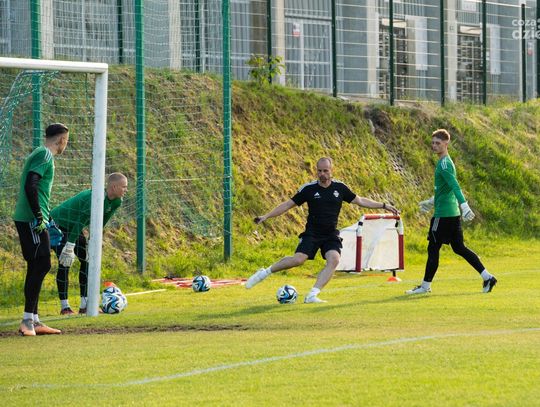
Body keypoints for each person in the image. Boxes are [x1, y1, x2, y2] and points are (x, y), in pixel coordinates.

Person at [246, 157, 399, 303]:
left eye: (325, 171)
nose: (322, 174)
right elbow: (287, 205)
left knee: (334, 259)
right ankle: (264, 272)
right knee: (298, 260)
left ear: (332, 170)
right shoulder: (309, 189)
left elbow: (360, 200)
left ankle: (312, 295)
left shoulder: (340, 188)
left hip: (330, 234)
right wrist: (266, 216)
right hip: (312, 233)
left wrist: (383, 205)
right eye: (319, 171)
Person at [406, 129, 497, 295]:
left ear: (446, 144)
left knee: (433, 248)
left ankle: (425, 286)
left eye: (438, 143)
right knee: (459, 248)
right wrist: (432, 201)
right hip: (451, 213)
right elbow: (445, 189)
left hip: (443, 215)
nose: (434, 146)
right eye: (433, 143)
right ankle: (488, 277)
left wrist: (465, 205)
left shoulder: (444, 164)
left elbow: (455, 185)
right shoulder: (445, 162)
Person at [13, 123, 70, 336]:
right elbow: (31, 184)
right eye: (67, 140)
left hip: (35, 218)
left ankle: (34, 319)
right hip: (32, 219)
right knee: (42, 263)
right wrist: (39, 217)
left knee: (38, 264)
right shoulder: (45, 155)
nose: (66, 144)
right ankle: (28, 320)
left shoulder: (41, 153)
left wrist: (47, 217)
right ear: (62, 140)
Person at [51, 172, 128, 315]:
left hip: (73, 226)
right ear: (114, 187)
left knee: (87, 260)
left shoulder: (117, 201)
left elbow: (101, 221)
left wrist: (93, 240)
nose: (126, 190)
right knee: (65, 261)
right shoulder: (94, 198)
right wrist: (69, 246)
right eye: (124, 187)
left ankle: (85, 305)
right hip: (57, 224)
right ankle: (65, 307)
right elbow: (80, 222)